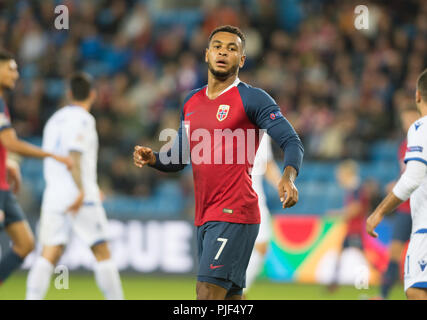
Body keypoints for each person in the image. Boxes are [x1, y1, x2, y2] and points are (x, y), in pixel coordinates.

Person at [133, 25, 304, 300]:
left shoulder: (253, 99)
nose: (223, 52)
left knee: (206, 295)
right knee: (230, 299)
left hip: (235, 212)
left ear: (242, 60)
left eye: (232, 48)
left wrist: (288, 176)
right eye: (218, 46)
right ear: (207, 54)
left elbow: (291, 141)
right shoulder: (191, 101)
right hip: (205, 215)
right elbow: (178, 157)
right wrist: (154, 158)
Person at [25, 72, 124, 300]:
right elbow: (74, 155)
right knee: (101, 250)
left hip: (54, 194)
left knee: (50, 252)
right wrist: (82, 189)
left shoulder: (54, 119)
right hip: (78, 193)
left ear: (69, 94)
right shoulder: (84, 119)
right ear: (93, 95)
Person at [0, 50, 71, 286]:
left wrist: (7, 162)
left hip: (3, 186)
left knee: (25, 244)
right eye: (10, 68)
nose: (16, 74)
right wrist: (51, 154)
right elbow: (10, 142)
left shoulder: (2, 103)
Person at [367, 68, 427, 300]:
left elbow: (411, 179)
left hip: (423, 222)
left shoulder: (421, 129)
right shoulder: (403, 143)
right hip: (409, 211)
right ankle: (382, 294)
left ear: (418, 96)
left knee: (415, 290)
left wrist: (379, 211)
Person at [378, 106, 420, 299]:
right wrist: (395, 185)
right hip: (405, 208)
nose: (407, 123)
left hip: (422, 207)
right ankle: (383, 295)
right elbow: (405, 174)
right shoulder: (403, 145)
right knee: (394, 253)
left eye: (410, 118)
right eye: (404, 120)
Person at [243, 135, 281, 297]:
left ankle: (238, 290)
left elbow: (267, 165)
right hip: (233, 196)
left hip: (256, 197)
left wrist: (282, 183)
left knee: (261, 247)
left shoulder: (262, 132)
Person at [327, 160, 371, 292]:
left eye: (340, 174)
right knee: (345, 253)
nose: (338, 177)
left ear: (347, 174)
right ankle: (335, 282)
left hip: (357, 229)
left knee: (359, 254)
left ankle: (362, 283)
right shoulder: (354, 188)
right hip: (352, 229)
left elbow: (357, 208)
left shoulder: (357, 188)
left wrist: (340, 213)